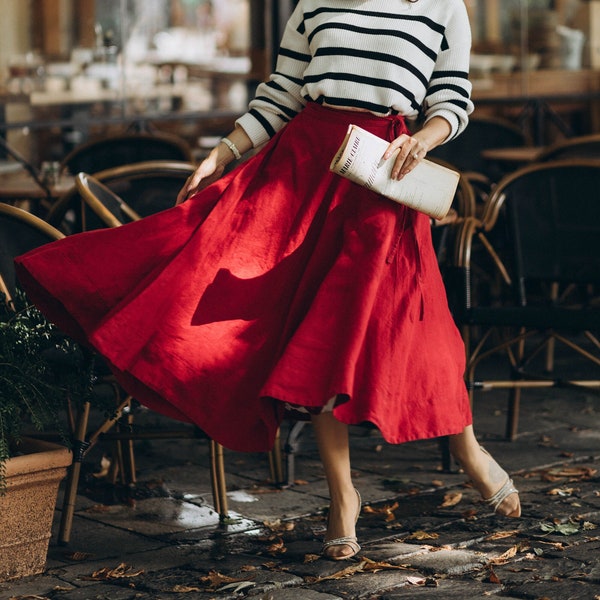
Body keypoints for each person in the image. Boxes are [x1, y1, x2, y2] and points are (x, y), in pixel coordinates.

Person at [15, 0, 520, 562]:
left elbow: (453, 97)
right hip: (302, 169)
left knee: (423, 328)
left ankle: (470, 451)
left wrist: (423, 139)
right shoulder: (314, 1)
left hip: (382, 175)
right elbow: (281, 93)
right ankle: (341, 497)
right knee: (320, 336)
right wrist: (221, 153)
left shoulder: (442, 6)